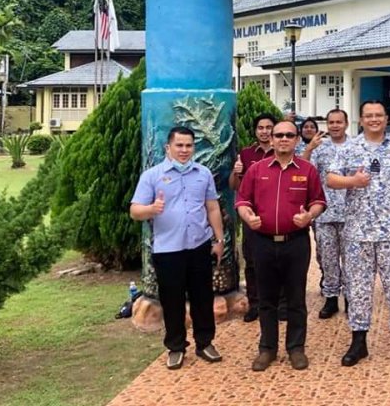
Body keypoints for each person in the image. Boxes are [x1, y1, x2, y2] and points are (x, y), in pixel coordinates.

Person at [327, 100, 390, 367]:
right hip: (357, 233)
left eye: (378, 115)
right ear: (360, 119)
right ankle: (359, 342)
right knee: (358, 289)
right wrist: (352, 181)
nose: (374, 119)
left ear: (386, 118)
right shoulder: (348, 148)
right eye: (368, 115)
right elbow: (331, 179)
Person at [130, 126, 225, 370]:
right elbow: (135, 211)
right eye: (179, 145)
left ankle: (205, 343)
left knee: (202, 298)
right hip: (168, 250)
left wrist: (219, 239)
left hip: (199, 246)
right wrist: (152, 209)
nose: (184, 150)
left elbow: (212, 207)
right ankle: (175, 346)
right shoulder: (152, 176)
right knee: (171, 301)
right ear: (168, 147)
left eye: (189, 145)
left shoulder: (203, 173)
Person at [236, 120, 326, 371]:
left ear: (297, 139)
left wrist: (309, 216)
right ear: (272, 139)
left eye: (289, 135)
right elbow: (242, 201)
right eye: (278, 135)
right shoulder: (257, 169)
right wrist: (248, 217)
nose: (283, 139)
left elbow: (318, 200)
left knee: (296, 299)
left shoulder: (307, 170)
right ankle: (267, 349)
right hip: (262, 243)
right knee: (266, 299)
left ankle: (296, 348)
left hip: (295, 243)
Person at [229, 113, 277, 323]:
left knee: (278, 260)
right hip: (252, 216)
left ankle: (279, 303)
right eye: (261, 128)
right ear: (255, 130)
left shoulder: (283, 150)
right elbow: (235, 186)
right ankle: (255, 303)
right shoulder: (246, 154)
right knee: (252, 262)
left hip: (276, 214)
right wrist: (236, 172)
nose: (265, 131)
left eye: (269, 127)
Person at [309, 108, 351, 318]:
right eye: (331, 122)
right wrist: (309, 148)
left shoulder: (356, 147)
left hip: (350, 215)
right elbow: (306, 171)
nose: (335, 125)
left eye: (339, 122)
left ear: (347, 124)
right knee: (328, 259)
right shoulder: (320, 148)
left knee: (351, 260)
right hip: (324, 214)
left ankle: (351, 299)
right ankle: (331, 299)